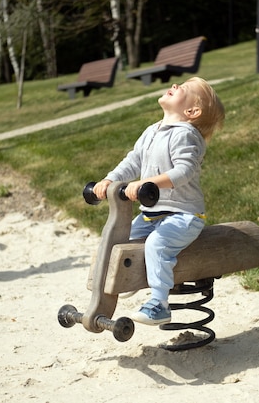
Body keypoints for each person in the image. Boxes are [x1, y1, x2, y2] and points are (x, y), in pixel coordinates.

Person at [93, 77, 225, 325]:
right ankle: (129, 278)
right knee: (120, 239)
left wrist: (148, 183)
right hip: (151, 214)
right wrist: (109, 180)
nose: (175, 85)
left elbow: (184, 171)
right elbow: (133, 161)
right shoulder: (151, 131)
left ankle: (159, 304)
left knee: (157, 244)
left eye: (182, 88)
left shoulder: (186, 135)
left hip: (183, 215)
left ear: (192, 111)